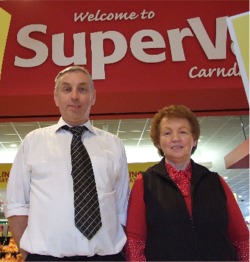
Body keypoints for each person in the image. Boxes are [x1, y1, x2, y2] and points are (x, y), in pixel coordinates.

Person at [5, 65, 130, 261]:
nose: (74, 96)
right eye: (66, 89)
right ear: (56, 97)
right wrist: (28, 256)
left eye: (82, 89)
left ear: (93, 96)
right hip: (46, 257)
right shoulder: (33, 142)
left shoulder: (114, 145)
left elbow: (122, 208)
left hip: (106, 256)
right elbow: (16, 206)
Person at [124, 104, 249, 261]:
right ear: (158, 142)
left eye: (183, 132)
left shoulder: (215, 181)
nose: (175, 138)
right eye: (167, 133)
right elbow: (134, 243)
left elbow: (242, 238)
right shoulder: (145, 183)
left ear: (194, 139)